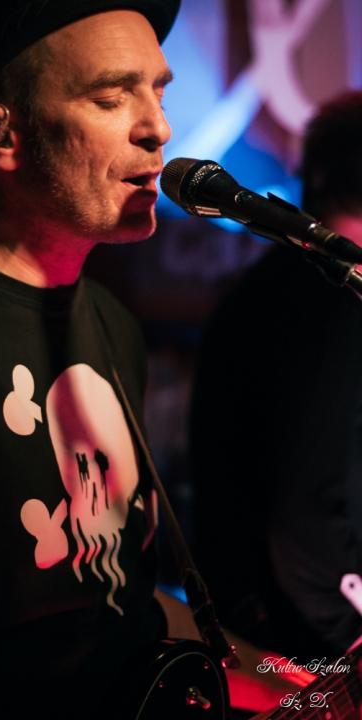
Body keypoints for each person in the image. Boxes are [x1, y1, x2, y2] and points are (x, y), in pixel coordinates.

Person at [0, 2, 311, 718]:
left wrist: (294, 685)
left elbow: (118, 605)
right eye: (111, 97)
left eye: (158, 92)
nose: (158, 128)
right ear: (0, 134)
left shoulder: (111, 325)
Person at [189, 91, 362, 664]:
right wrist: (349, 640)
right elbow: (302, 518)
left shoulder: (276, 285)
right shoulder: (331, 298)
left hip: (272, 631)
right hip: (303, 647)